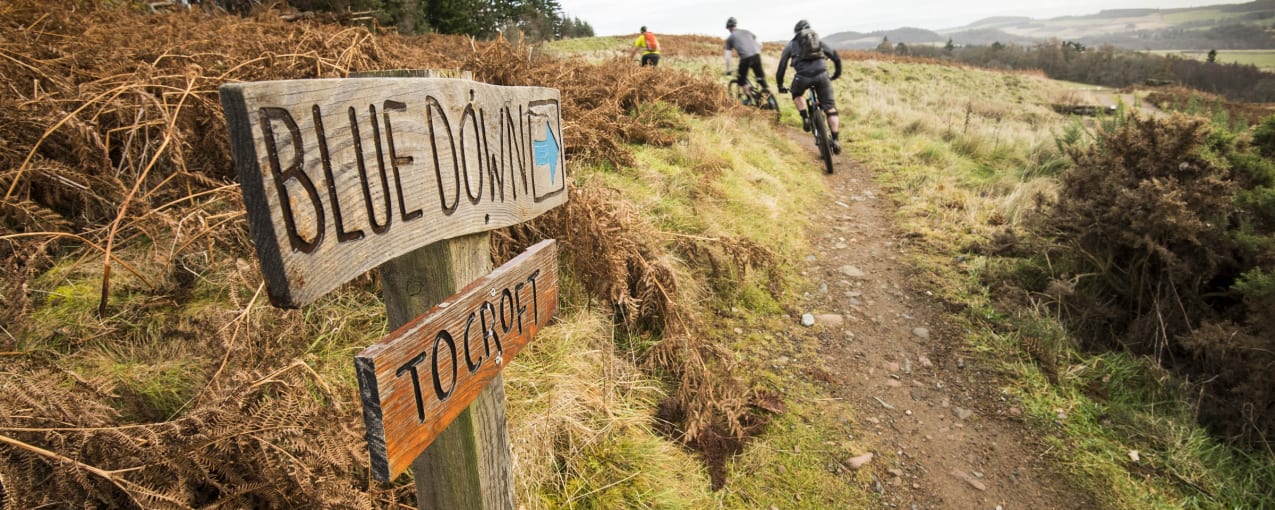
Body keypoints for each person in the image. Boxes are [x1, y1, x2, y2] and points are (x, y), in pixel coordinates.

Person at [776, 19, 843, 154]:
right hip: (822, 75)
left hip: (803, 77)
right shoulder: (818, 41)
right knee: (830, 109)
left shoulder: (791, 45)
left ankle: (805, 117)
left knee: (796, 94)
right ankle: (835, 139)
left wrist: (780, 85)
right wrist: (835, 74)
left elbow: (782, 66)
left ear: (796, 32)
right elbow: (836, 58)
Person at [724, 17, 767, 97]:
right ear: (735, 25)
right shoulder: (747, 32)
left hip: (745, 58)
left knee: (741, 80)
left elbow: (727, 57)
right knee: (760, 78)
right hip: (756, 55)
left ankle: (749, 99)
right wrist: (756, 52)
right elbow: (760, 44)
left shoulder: (730, 38)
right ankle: (768, 93)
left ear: (728, 27)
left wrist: (728, 69)